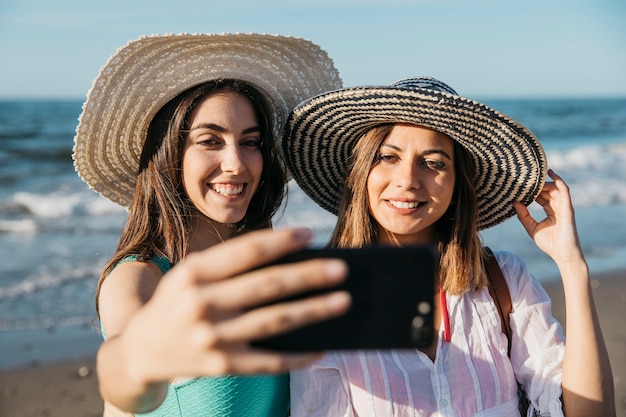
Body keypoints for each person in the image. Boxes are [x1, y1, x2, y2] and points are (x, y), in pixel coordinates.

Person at [281, 76, 615, 416]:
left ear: (458, 184)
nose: (408, 179)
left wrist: (572, 265)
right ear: (360, 172)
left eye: (435, 162)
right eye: (388, 157)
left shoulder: (505, 280)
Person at [72, 33, 348, 416]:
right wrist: (141, 359)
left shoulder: (269, 275)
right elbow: (124, 374)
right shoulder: (139, 279)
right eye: (210, 141)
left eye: (250, 142)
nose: (236, 163)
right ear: (170, 154)